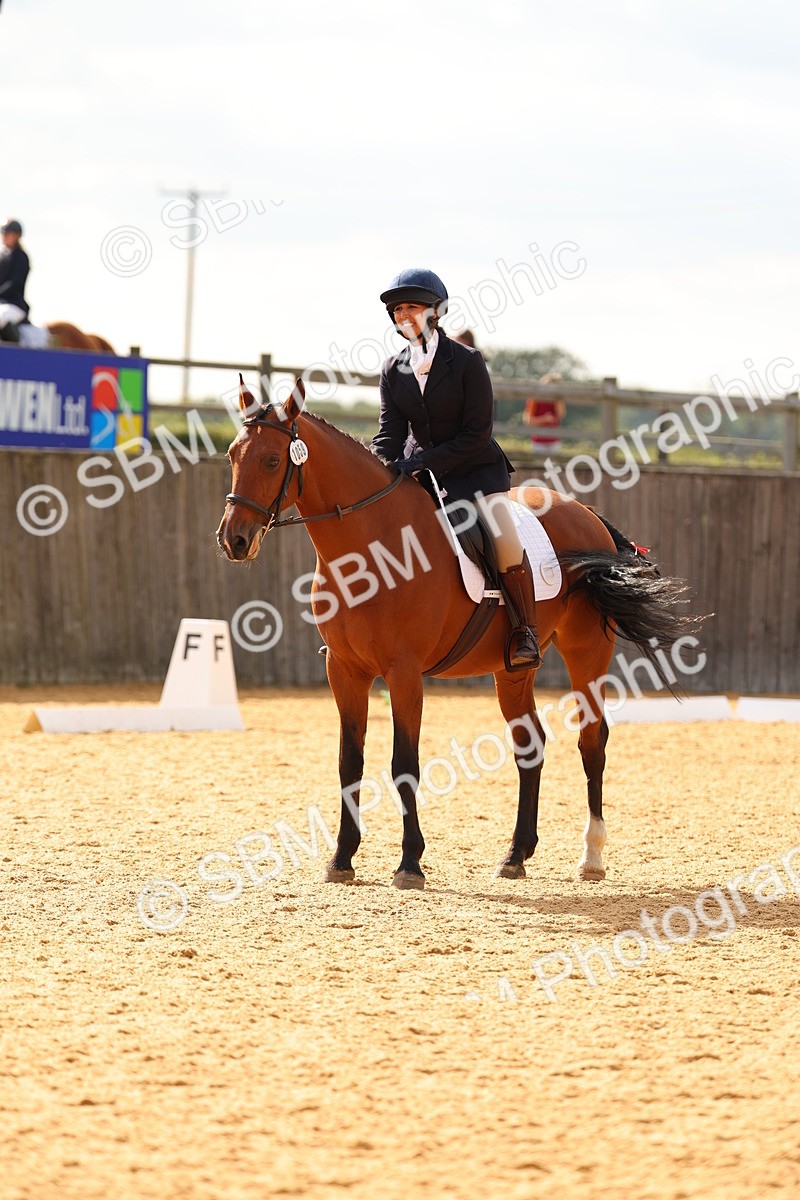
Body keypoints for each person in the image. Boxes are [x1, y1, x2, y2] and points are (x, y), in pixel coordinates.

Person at [371, 267, 541, 669]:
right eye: (397, 310)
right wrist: (378, 465)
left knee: (504, 539)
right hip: (420, 475)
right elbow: (389, 432)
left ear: (436, 311)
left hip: (475, 472)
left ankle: (524, 631)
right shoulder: (392, 369)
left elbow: (476, 434)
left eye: (412, 307)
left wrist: (418, 462)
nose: (403, 315)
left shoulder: (466, 361)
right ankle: (363, 629)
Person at [0, 218, 30, 344]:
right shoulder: (2, 257)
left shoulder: (21, 257)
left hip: (14, 304)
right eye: (3, 233)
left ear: (17, 235)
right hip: (2, 302)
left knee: (2, 318)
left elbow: (15, 284)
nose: (4, 236)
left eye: (7, 233)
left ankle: (16, 349)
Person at [523, 372, 566, 454]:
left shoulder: (558, 400)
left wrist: (557, 398)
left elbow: (561, 415)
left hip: (554, 441)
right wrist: (544, 419)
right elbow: (528, 421)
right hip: (538, 442)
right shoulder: (534, 399)